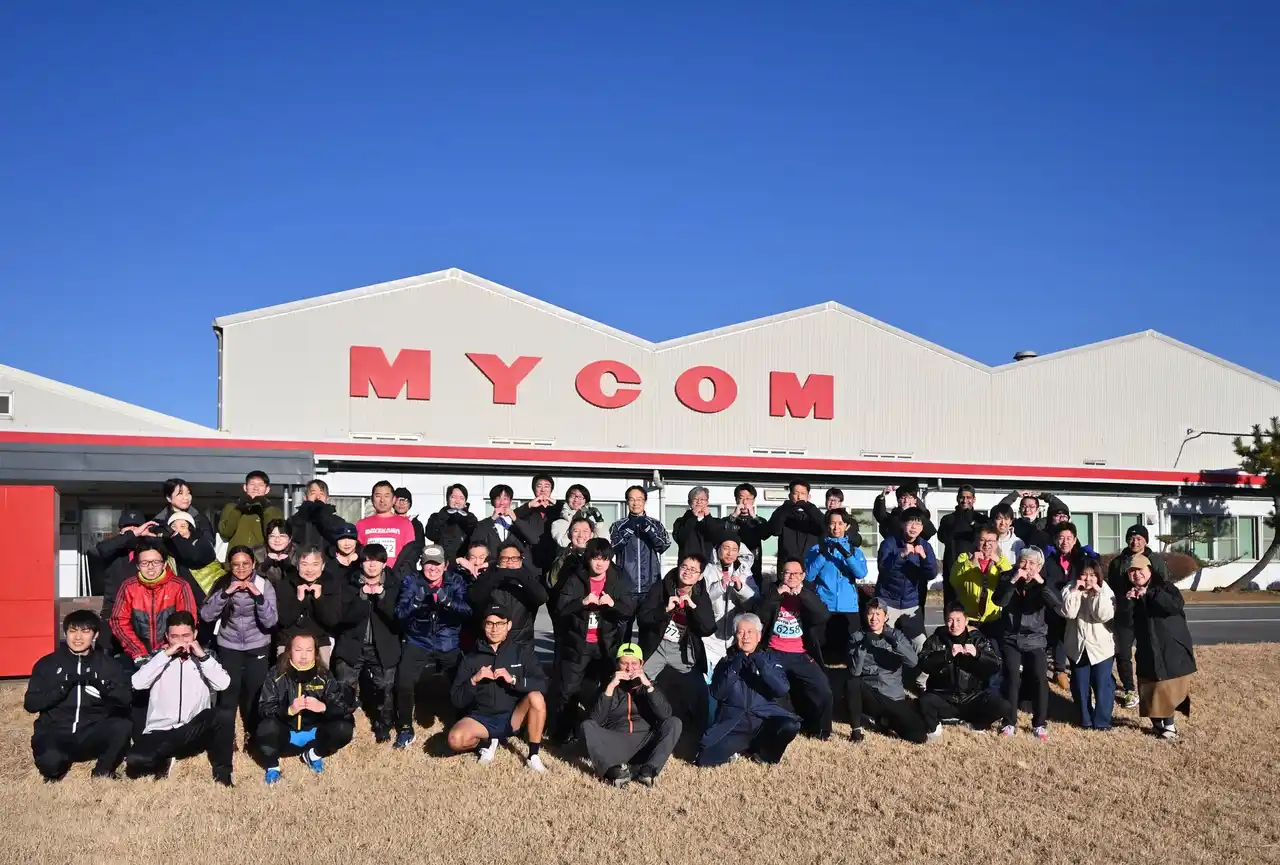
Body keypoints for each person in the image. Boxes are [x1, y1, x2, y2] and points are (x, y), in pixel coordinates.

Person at [126, 612, 233, 785]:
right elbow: (137, 683)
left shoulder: (206, 657)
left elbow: (223, 684)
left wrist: (202, 656)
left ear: (195, 634)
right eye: (175, 637)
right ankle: (166, 757)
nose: (181, 641)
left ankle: (223, 776)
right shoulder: (157, 657)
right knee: (135, 760)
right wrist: (165, 655)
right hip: (161, 730)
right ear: (167, 637)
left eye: (186, 636)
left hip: (193, 730)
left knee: (223, 714)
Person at [25, 610, 132, 781]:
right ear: (65, 633)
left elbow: (126, 699)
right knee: (51, 769)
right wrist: (62, 688)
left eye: (85, 631)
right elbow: (31, 704)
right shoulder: (47, 664)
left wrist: (104, 688)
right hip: (56, 731)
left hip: (93, 731)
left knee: (122, 725)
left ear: (95, 635)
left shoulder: (109, 665)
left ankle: (103, 771)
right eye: (73, 631)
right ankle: (57, 762)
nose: (78, 637)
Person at [552, 538, 637, 740]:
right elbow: (560, 609)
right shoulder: (575, 576)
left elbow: (629, 610)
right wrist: (582, 602)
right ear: (588, 558)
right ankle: (564, 733)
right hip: (578, 643)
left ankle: (602, 730)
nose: (600, 564)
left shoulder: (618, 577)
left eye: (605, 559)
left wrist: (612, 604)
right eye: (596, 559)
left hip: (605, 644)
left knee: (606, 688)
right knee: (568, 689)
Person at [448, 604, 549, 771]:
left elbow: (543, 684)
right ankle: (486, 743)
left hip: (513, 718)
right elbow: (456, 699)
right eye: (490, 623)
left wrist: (514, 680)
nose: (494, 629)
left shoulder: (521, 652)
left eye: (500, 623)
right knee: (455, 739)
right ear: (483, 625)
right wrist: (474, 679)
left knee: (536, 697)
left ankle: (533, 756)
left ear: (509, 625)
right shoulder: (471, 657)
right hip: (482, 718)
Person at [199, 545, 277, 753]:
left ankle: (252, 734)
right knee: (228, 692)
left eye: (245, 564)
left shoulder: (264, 584)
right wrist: (226, 594)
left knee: (254, 693)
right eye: (236, 564)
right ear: (230, 566)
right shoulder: (222, 583)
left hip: (258, 645)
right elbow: (206, 615)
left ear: (253, 564)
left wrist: (258, 597)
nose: (241, 568)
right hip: (229, 645)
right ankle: (227, 734)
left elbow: (271, 621)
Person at [696, 614, 800, 767]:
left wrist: (761, 664)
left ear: (759, 636)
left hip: (763, 720)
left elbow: (782, 689)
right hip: (735, 723)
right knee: (704, 761)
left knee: (790, 725)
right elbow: (718, 693)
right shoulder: (726, 661)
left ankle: (764, 755)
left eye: (750, 632)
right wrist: (735, 665)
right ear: (735, 636)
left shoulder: (770, 659)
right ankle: (739, 749)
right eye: (741, 632)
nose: (745, 637)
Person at [394, 543, 472, 748]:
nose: (433, 568)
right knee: (403, 681)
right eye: (429, 563)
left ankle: (465, 721)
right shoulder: (412, 581)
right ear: (422, 564)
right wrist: (417, 601)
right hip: (418, 640)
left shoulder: (455, 581)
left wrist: (447, 600)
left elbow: (467, 611)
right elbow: (399, 614)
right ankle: (405, 728)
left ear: (445, 565)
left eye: (437, 563)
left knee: (462, 679)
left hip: (448, 641)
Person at [580, 644, 682, 787]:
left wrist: (647, 685)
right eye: (624, 663)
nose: (629, 668)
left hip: (644, 743)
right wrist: (610, 688)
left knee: (675, 722)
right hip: (615, 742)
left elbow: (666, 715)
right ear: (617, 664)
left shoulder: (649, 686)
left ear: (642, 664)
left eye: (634, 663)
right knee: (586, 726)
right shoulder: (608, 686)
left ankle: (648, 770)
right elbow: (595, 720)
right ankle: (612, 771)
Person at [257, 633, 353, 783]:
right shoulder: (276, 674)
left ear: (315, 653)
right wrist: (288, 710)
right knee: (265, 727)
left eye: (309, 651)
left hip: (314, 737)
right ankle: (273, 767)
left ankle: (313, 755)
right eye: (298, 650)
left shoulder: (324, 675)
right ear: (289, 651)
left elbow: (343, 708)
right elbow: (264, 709)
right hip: (286, 737)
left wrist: (324, 707)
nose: (303, 656)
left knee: (344, 728)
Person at [331, 544, 401, 744]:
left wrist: (381, 596)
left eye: (377, 560)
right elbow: (341, 617)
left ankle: (383, 724)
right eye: (367, 560)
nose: (372, 565)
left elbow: (398, 618)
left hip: (383, 645)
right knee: (344, 683)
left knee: (385, 686)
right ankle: (344, 723)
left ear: (384, 563)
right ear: (360, 563)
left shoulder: (395, 584)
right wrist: (361, 597)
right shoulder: (348, 583)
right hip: (353, 644)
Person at [757, 558, 833, 739]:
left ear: (803, 576)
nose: (791, 577)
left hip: (801, 653)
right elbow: (758, 615)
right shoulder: (771, 590)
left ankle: (820, 730)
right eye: (787, 573)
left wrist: (803, 595)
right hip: (774, 651)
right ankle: (782, 726)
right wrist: (776, 594)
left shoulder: (809, 591)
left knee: (823, 689)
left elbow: (822, 615)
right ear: (781, 574)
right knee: (777, 690)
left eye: (796, 573)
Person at [636, 554, 716, 727]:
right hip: (657, 645)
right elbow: (642, 618)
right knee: (637, 680)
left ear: (700, 576)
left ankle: (699, 729)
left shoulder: (700, 595)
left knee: (699, 688)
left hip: (682, 649)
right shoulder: (661, 587)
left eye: (693, 570)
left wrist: (693, 608)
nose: (687, 572)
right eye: (684, 567)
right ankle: (634, 721)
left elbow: (708, 628)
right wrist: (665, 609)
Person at [992, 546, 1061, 741]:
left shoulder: (1044, 582)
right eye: (1023, 561)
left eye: (1032, 563)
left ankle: (1040, 723)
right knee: (1012, 677)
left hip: (1035, 638)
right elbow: (999, 601)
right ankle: (1009, 722)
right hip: (1011, 637)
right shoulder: (1008, 577)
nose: (1027, 567)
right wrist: (1013, 580)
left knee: (1040, 678)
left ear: (1039, 567)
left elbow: (1056, 604)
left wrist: (1041, 584)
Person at [916, 604, 1009, 740]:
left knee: (1003, 707)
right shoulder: (935, 640)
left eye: (958, 620)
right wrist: (947, 655)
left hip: (972, 697)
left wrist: (978, 654)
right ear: (945, 621)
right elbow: (923, 663)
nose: (954, 625)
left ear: (966, 621)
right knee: (923, 701)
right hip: (944, 697)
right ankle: (935, 725)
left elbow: (996, 665)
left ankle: (975, 723)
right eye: (950, 620)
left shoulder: (977, 639)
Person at [1128, 554, 1195, 740]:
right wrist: (1129, 602)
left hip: (1170, 646)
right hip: (1147, 648)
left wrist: (1149, 593)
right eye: (1131, 571)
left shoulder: (1165, 588)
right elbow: (1127, 623)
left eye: (1140, 570)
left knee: (1167, 686)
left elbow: (1174, 605)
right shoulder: (1131, 592)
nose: (1136, 574)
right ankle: (1157, 725)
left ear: (1150, 570)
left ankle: (1170, 727)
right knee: (1149, 687)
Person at [846, 599, 928, 744]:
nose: (874, 618)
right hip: (871, 694)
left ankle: (882, 721)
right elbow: (855, 672)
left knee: (919, 735)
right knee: (852, 682)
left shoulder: (897, 635)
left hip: (893, 697)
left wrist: (894, 643)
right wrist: (861, 649)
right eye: (870, 614)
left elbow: (913, 662)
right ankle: (856, 731)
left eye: (878, 614)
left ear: (886, 617)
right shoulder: (857, 637)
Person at [110, 539, 199, 668]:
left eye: (156, 562)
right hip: (138, 655)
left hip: (172, 653)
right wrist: (138, 651)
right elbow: (118, 621)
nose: (150, 567)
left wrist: (168, 648)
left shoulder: (180, 586)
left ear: (164, 564)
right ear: (138, 566)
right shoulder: (128, 587)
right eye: (144, 563)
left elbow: (188, 621)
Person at [1107, 524, 1167, 709]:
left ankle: (1153, 685)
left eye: (1139, 538)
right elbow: (1111, 588)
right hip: (1125, 614)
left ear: (1145, 540)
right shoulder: (1117, 562)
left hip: (1147, 614)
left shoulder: (1154, 560)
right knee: (1123, 653)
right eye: (1132, 538)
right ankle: (1129, 689)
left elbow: (1163, 584)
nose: (1135, 542)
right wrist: (1122, 597)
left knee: (1149, 652)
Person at [93, 509, 160, 655]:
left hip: (142, 611)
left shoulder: (150, 549)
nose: (133, 530)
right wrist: (132, 535)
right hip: (113, 609)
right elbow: (101, 549)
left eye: (137, 526)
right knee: (106, 653)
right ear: (120, 530)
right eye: (127, 527)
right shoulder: (112, 549)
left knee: (141, 653)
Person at [804, 508, 867, 658]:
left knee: (850, 651)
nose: (836, 527)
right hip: (825, 606)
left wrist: (847, 555)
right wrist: (823, 555)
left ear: (847, 526)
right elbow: (809, 576)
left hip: (849, 607)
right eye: (832, 523)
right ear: (827, 526)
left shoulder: (855, 551)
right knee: (824, 651)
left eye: (840, 523)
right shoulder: (817, 549)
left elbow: (861, 573)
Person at [1042, 522, 1098, 690]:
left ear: (1074, 540)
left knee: (1078, 638)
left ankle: (1078, 670)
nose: (1065, 542)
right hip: (1056, 605)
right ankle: (1060, 670)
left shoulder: (1082, 558)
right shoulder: (1048, 559)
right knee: (1058, 637)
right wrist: (1056, 604)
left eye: (1068, 538)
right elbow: (1044, 584)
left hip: (1078, 606)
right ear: (1055, 540)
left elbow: (1094, 574)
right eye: (1061, 538)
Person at [1062, 559, 1116, 731]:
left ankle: (1102, 721)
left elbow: (1103, 615)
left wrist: (1097, 594)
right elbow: (1069, 613)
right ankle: (1085, 719)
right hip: (1077, 645)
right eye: (1084, 574)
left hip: (1101, 646)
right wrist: (1075, 592)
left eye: (1092, 575)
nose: (1088, 579)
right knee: (1080, 684)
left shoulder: (1105, 589)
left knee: (1102, 684)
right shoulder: (1069, 588)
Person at [875, 508, 937, 650]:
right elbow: (883, 569)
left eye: (918, 524)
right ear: (903, 524)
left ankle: (918, 666)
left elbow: (931, 574)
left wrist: (924, 557)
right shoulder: (889, 543)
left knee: (921, 643)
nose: (914, 527)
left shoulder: (925, 546)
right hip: (888, 601)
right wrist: (901, 555)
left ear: (922, 527)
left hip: (911, 604)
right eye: (910, 523)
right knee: (883, 642)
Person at [465, 541, 548, 647]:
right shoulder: (488, 578)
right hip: (490, 642)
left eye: (514, 559)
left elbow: (542, 598)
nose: (510, 563)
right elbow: (476, 597)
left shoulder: (528, 579)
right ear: (498, 561)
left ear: (521, 560)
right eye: (505, 559)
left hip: (521, 642)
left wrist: (519, 575)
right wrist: (501, 574)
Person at [274, 546, 344, 666]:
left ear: (322, 566)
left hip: (319, 641)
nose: (310, 569)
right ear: (297, 565)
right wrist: (299, 600)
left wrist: (319, 599)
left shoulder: (331, 584)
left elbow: (332, 620)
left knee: (320, 676)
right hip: (289, 640)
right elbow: (283, 620)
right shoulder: (285, 583)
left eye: (315, 564)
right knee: (285, 676)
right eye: (304, 564)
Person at [701, 533, 759, 676]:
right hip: (710, 638)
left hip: (735, 638)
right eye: (726, 548)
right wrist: (719, 587)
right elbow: (701, 601)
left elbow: (755, 601)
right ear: (717, 549)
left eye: (734, 549)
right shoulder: (707, 571)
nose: (730, 553)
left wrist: (741, 588)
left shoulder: (743, 571)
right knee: (710, 677)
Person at [610, 485, 672, 609]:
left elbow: (663, 546)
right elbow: (614, 547)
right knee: (623, 620)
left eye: (639, 499)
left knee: (649, 620)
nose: (635, 503)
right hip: (625, 586)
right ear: (627, 502)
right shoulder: (618, 525)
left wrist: (649, 530)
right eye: (631, 499)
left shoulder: (655, 524)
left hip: (651, 585)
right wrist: (629, 529)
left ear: (645, 501)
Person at [949, 524, 1012, 635]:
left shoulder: (1000, 560)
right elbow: (954, 580)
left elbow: (1011, 578)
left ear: (996, 542)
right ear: (976, 541)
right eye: (982, 540)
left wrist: (999, 561)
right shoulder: (965, 557)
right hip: (968, 619)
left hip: (992, 618)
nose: (986, 544)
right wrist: (970, 563)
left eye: (991, 541)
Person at [936, 486, 987, 607]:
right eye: (962, 497)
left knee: (973, 604)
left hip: (974, 568)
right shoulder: (948, 519)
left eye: (968, 497)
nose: (965, 500)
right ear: (957, 498)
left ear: (974, 499)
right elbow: (942, 538)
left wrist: (972, 522)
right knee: (951, 605)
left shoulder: (981, 519)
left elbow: (986, 537)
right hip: (952, 567)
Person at [357, 480, 417, 570]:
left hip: (395, 575)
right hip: (369, 574)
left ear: (394, 499)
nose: (382, 500)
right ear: (372, 499)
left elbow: (410, 554)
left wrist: (398, 574)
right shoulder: (361, 524)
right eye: (378, 496)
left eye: (386, 496)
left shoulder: (405, 523)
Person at [218, 470, 284, 549]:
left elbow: (274, 536)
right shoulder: (231, 507)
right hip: (236, 555)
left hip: (261, 555)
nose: (255, 488)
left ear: (267, 489)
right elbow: (225, 534)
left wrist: (265, 508)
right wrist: (238, 509)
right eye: (252, 484)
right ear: (245, 487)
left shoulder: (274, 511)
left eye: (261, 485)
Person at [767, 481, 826, 564]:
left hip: (811, 565)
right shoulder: (782, 512)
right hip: (788, 565)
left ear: (808, 497)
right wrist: (785, 508)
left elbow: (826, 527)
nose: (799, 497)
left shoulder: (814, 514)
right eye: (796, 493)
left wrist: (809, 507)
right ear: (790, 496)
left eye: (803, 493)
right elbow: (773, 530)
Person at [725, 483, 771, 586]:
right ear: (736, 500)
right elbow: (722, 533)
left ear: (753, 500)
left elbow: (766, 534)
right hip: (731, 565)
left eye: (748, 499)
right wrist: (734, 516)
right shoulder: (728, 520)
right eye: (741, 498)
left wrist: (754, 516)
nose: (745, 502)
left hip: (753, 567)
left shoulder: (759, 521)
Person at [513, 473, 558, 576]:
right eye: (539, 486)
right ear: (534, 490)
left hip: (554, 559)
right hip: (531, 561)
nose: (543, 490)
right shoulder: (527, 510)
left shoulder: (558, 510)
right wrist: (529, 505)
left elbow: (571, 512)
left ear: (551, 490)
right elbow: (513, 516)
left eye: (546, 486)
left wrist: (555, 503)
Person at [424, 483, 479, 562]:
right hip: (442, 561)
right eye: (453, 497)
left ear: (465, 502)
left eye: (461, 498)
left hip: (464, 562)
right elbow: (431, 535)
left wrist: (465, 516)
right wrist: (443, 515)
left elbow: (476, 538)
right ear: (447, 499)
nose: (457, 501)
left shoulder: (471, 518)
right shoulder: (437, 516)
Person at [154, 477, 217, 546]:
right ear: (169, 498)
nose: (186, 497)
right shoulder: (159, 521)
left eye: (188, 493)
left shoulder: (199, 518)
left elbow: (209, 542)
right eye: (180, 493)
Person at [288, 479, 347, 552]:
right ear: (305, 498)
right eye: (313, 493)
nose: (318, 497)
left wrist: (322, 513)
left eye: (321, 494)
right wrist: (306, 510)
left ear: (327, 498)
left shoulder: (338, 522)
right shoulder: (294, 520)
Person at [470, 484, 524, 560]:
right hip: (491, 565)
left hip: (513, 564)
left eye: (505, 498)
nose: (502, 502)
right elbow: (475, 541)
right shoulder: (484, 524)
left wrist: (515, 519)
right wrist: (492, 518)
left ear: (510, 501)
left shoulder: (518, 523)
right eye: (498, 498)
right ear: (492, 502)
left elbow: (530, 540)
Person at [873, 482, 937, 543]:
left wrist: (915, 512)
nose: (906, 501)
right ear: (898, 500)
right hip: (895, 547)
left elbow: (930, 531)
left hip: (916, 548)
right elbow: (880, 515)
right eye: (903, 498)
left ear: (915, 500)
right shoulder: (894, 516)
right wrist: (882, 497)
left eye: (910, 498)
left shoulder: (922, 515)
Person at [550, 483, 610, 548]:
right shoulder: (559, 522)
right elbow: (563, 542)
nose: (576, 500)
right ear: (567, 498)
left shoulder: (591, 521)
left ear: (585, 501)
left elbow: (602, 542)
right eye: (573, 496)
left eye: (580, 497)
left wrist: (599, 522)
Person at [672, 486, 723, 563]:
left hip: (708, 565)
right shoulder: (681, 522)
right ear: (689, 502)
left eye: (702, 499)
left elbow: (716, 537)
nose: (699, 502)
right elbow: (681, 538)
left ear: (707, 502)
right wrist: (693, 517)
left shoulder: (715, 521)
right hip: (687, 564)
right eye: (695, 499)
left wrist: (708, 517)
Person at [257, 518, 297, 586]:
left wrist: (289, 568)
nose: (277, 540)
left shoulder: (299, 553)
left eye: (282, 536)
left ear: (290, 539)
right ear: (267, 538)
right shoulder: (256, 553)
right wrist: (263, 567)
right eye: (272, 536)